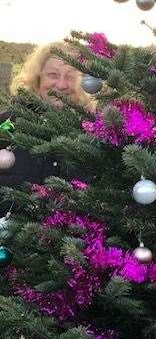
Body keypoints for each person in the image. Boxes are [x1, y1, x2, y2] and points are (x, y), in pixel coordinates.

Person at [0, 42, 94, 215]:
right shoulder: (5, 125)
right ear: (38, 78)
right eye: (53, 75)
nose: (61, 84)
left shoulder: (95, 134)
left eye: (70, 76)